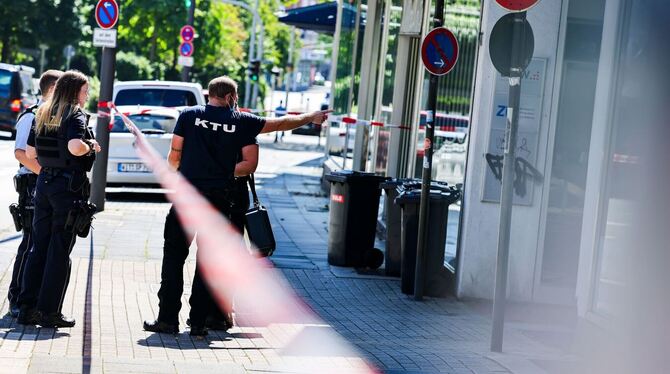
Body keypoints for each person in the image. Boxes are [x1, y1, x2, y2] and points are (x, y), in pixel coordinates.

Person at [143, 75, 329, 336]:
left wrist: (176, 175)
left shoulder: (188, 116)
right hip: (218, 201)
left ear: (209, 94)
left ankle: (167, 320)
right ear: (231, 97)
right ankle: (198, 322)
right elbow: (280, 123)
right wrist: (311, 117)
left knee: (173, 258)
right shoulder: (240, 121)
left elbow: (175, 154)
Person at [17, 71, 101, 328]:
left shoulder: (43, 112)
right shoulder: (74, 114)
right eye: (85, 92)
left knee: (38, 246)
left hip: (44, 184)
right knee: (59, 248)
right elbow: (75, 147)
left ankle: (26, 308)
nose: (86, 97)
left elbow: (30, 152)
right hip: (68, 187)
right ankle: (49, 312)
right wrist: (91, 145)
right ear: (74, 91)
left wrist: (48, 173)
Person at [7, 70, 63, 318]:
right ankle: (18, 297)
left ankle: (34, 297)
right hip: (32, 182)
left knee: (41, 242)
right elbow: (21, 153)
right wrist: (46, 174)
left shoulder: (53, 116)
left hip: (43, 183)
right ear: (52, 89)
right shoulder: (31, 116)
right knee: (30, 241)